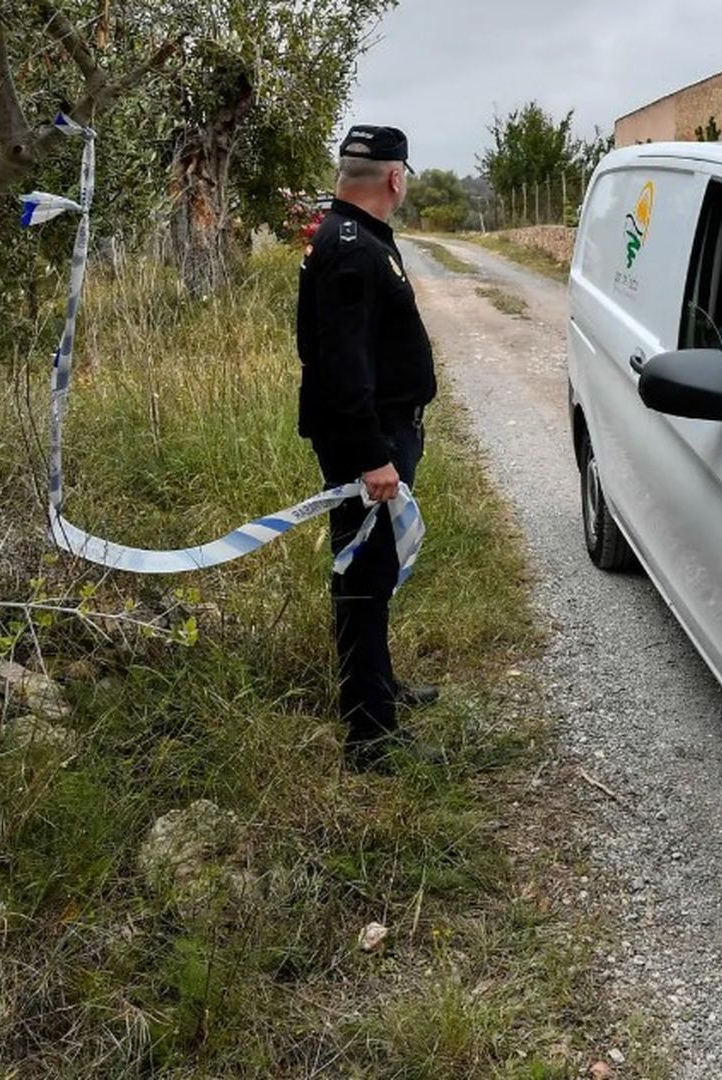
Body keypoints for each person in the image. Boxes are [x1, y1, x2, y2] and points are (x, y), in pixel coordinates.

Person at [296, 124, 440, 772]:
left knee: (372, 574)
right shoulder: (354, 249)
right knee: (364, 576)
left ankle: (376, 689)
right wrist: (374, 455)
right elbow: (341, 367)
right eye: (404, 173)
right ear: (394, 177)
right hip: (370, 439)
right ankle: (369, 735)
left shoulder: (353, 236)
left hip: (377, 430)